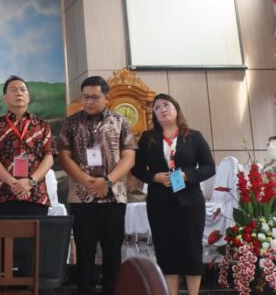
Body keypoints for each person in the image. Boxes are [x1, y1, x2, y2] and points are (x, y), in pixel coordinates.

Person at [58, 76, 137, 295]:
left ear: (107, 98)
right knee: (84, 250)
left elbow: (129, 158)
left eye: (95, 97)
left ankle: (113, 291)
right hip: (82, 197)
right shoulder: (70, 123)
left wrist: (107, 181)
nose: (89, 102)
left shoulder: (121, 122)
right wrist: (88, 182)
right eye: (85, 97)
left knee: (112, 250)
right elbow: (64, 157)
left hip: (114, 197)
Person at [132, 94, 215, 295]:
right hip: (160, 202)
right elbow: (137, 169)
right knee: (166, 250)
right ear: (154, 115)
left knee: (191, 249)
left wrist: (187, 176)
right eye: (157, 107)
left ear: (176, 108)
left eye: (166, 104)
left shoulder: (194, 136)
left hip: (190, 201)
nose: (162, 109)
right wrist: (154, 177)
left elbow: (209, 167)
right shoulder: (148, 138)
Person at [0, 76, 56, 216]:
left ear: (28, 97)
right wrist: (13, 184)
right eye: (13, 90)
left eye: (23, 90)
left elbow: (49, 157)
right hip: (6, 194)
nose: (19, 93)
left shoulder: (42, 125)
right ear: (5, 97)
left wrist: (30, 182)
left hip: (36, 194)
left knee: (37, 237)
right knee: (6, 237)